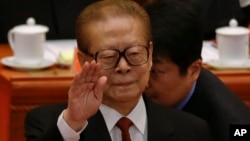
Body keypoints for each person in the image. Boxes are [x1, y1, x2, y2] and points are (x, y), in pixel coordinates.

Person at [24, 0, 213, 141]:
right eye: (108, 57)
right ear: (83, 60)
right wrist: (73, 123)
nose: (123, 67)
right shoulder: (51, 125)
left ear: (150, 53)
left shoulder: (192, 131)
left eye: (134, 53)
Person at [144, 1, 250, 141]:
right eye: (140, 65)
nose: (144, 82)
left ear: (193, 71)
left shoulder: (230, 127)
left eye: (154, 72)